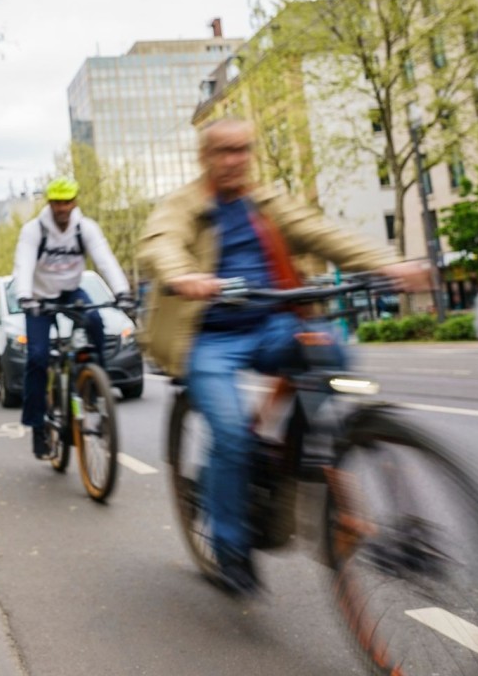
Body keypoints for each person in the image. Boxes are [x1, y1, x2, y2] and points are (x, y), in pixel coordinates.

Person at [137, 118, 430, 596]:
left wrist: (389, 264)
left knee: (330, 352)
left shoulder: (266, 203)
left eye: (242, 150)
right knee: (230, 435)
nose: (234, 160)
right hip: (209, 336)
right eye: (224, 151)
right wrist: (184, 275)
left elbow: (321, 233)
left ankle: (301, 454)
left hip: (272, 324)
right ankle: (231, 546)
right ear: (204, 156)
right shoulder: (186, 205)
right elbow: (160, 242)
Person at [11, 176, 134, 459]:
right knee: (38, 358)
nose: (63, 207)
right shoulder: (34, 230)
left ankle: (94, 382)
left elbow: (105, 259)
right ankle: (38, 427)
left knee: (95, 321)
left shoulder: (85, 228)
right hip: (39, 297)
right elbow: (24, 264)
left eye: (67, 202)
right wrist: (25, 296)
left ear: (75, 201)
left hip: (70, 291)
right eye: (57, 202)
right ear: (50, 203)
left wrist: (122, 292)